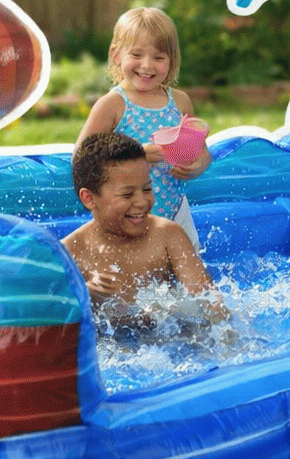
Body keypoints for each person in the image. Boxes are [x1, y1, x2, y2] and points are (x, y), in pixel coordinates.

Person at [63, 131, 226, 333]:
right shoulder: (71, 252)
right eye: (127, 194)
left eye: (147, 189)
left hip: (169, 338)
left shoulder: (167, 235)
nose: (142, 202)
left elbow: (210, 303)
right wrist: (83, 294)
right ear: (89, 198)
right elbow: (50, 317)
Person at [79, 7, 211, 247]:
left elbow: (201, 149)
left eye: (159, 57)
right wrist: (137, 154)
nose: (147, 65)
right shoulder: (113, 104)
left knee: (189, 279)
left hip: (176, 211)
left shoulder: (179, 102)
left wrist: (198, 165)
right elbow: (83, 156)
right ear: (117, 54)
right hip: (125, 216)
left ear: (171, 61)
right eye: (137, 55)